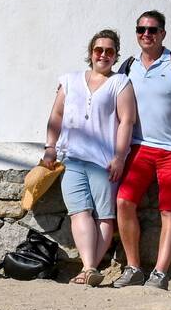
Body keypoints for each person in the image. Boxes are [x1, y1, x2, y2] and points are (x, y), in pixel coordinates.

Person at [111, 10, 171, 290]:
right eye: (141, 30)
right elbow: (109, 91)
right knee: (124, 202)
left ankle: (160, 274)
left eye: (152, 30)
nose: (146, 35)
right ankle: (134, 268)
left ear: (163, 33)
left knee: (169, 211)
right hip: (139, 148)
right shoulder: (128, 65)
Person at [43, 29, 137, 286]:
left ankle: (88, 269)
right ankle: (89, 267)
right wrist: (50, 147)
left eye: (109, 51)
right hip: (72, 158)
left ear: (116, 55)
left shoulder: (121, 83)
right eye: (99, 50)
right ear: (90, 53)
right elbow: (57, 115)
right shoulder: (70, 80)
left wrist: (119, 157)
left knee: (104, 216)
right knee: (79, 213)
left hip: (103, 161)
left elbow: (126, 121)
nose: (103, 55)